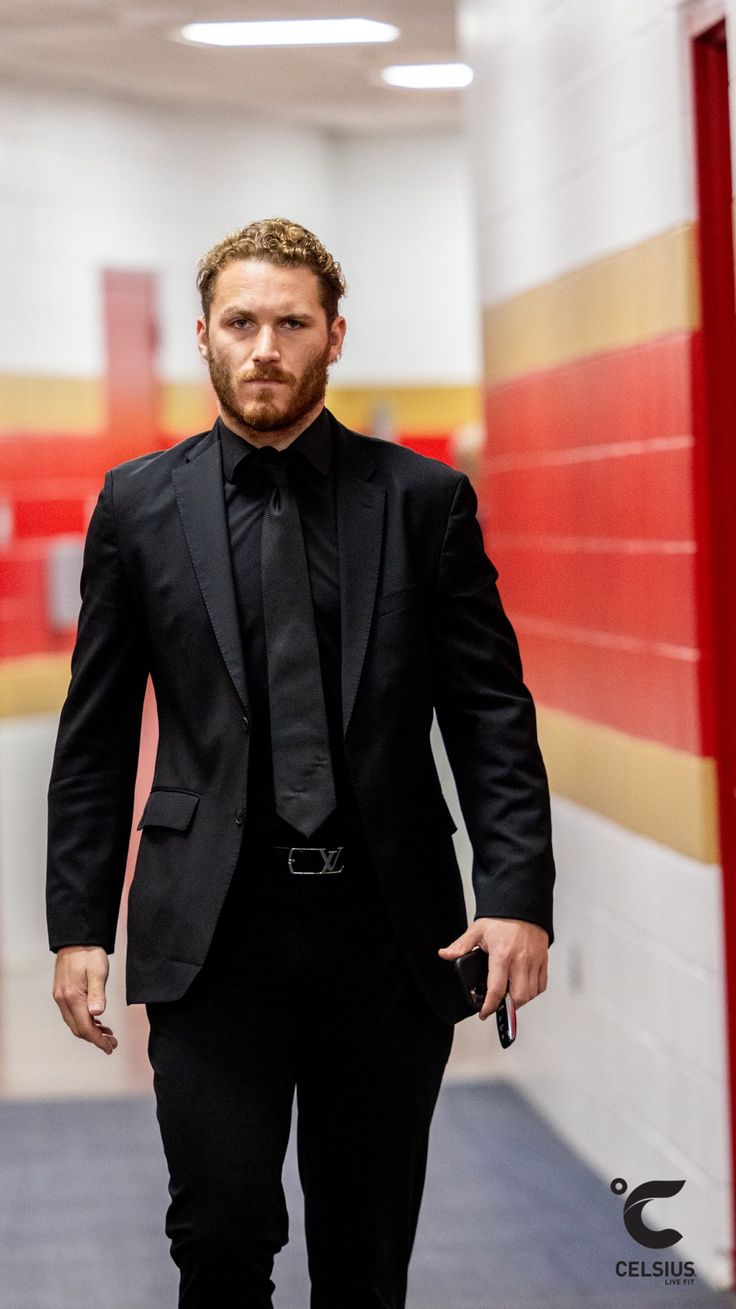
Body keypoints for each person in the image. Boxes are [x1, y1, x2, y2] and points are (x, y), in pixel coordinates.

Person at [46, 217, 556, 1309]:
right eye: (241, 323)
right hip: (211, 933)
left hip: (388, 932)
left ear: (334, 335)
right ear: (202, 336)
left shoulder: (422, 503)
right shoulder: (138, 506)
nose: (264, 346)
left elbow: (489, 714)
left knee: (365, 1254)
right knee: (221, 1228)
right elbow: (93, 736)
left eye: (289, 322)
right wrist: (79, 924)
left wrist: (518, 895)